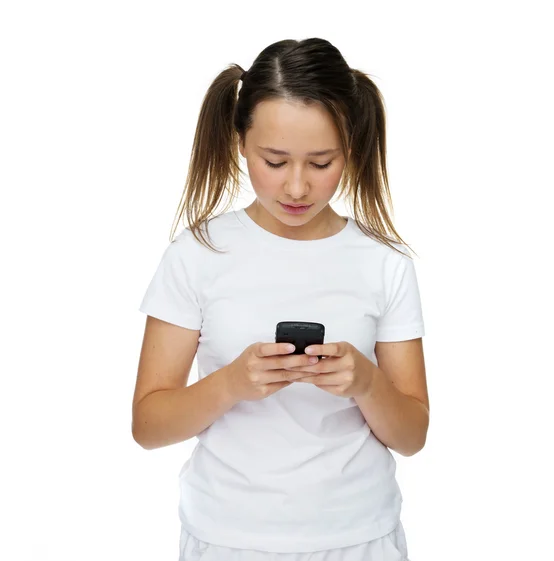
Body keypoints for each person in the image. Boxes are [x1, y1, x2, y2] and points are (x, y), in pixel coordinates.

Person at [133, 37, 429, 561]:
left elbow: (411, 435)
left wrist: (365, 382)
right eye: (275, 160)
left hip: (360, 538)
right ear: (240, 143)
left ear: (352, 149)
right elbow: (148, 425)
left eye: (321, 162)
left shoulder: (386, 264)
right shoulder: (196, 255)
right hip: (227, 538)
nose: (296, 187)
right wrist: (230, 383)